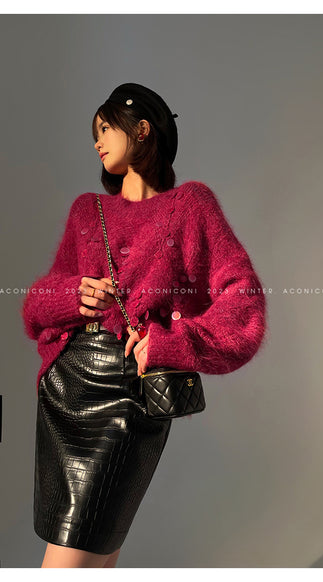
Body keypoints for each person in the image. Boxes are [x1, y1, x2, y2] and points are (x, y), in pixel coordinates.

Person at [21, 83, 267, 568]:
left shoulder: (192, 204)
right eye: (94, 132)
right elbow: (35, 306)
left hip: (130, 393)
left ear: (142, 129)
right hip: (67, 388)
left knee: (74, 558)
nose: (97, 140)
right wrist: (74, 294)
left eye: (105, 127)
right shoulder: (87, 210)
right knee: (96, 559)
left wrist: (173, 343)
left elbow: (243, 300)